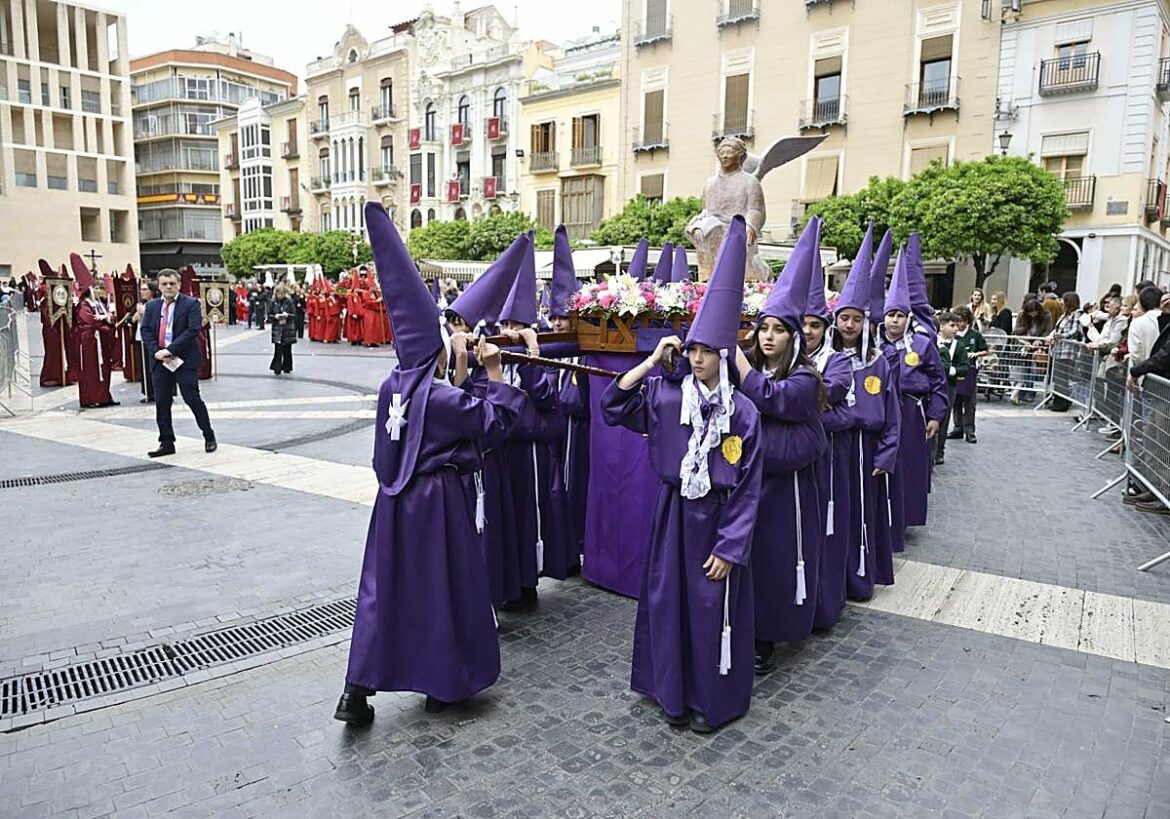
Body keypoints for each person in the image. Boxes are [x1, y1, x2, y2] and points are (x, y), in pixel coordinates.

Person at [335, 203, 528, 725]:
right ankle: (444, 684)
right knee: (442, 590)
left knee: (382, 592)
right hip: (436, 503)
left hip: (391, 504)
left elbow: (441, 412)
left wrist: (464, 372)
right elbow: (491, 423)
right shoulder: (441, 397)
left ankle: (356, 690)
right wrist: (495, 372)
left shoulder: (392, 386)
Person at [601, 216, 763, 733]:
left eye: (705, 352)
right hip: (673, 516)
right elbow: (612, 406)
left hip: (715, 522)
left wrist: (730, 546)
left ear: (723, 356)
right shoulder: (669, 395)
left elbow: (749, 486)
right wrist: (651, 363)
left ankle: (711, 699)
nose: (696, 359)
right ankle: (671, 691)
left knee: (711, 606)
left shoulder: (744, 414)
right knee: (669, 603)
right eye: (691, 349)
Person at [735, 217, 826, 673]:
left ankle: (766, 636)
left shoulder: (804, 378)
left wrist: (737, 362)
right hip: (748, 480)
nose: (767, 337)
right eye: (762, 329)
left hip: (783, 488)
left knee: (775, 557)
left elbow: (774, 400)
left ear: (793, 338)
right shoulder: (749, 369)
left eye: (778, 330)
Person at [832, 225, 901, 602]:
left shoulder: (879, 363)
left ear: (865, 323)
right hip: (838, 448)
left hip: (868, 450)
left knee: (864, 515)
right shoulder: (825, 361)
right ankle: (837, 576)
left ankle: (862, 578)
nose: (849, 325)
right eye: (844, 318)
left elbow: (892, 414)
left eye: (856, 319)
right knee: (837, 514)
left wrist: (887, 454)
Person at [805, 220, 856, 633]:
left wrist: (792, 396)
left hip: (827, 460)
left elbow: (837, 393)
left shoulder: (836, 360)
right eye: (801, 324)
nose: (807, 331)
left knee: (824, 530)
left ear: (827, 328)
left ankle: (824, 604)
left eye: (815, 325)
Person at [881, 248, 948, 538]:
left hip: (911, 412)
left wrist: (935, 414)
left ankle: (904, 517)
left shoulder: (922, 345)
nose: (894, 321)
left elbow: (938, 381)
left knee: (908, 466)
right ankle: (882, 514)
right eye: (890, 315)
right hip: (883, 412)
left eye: (900, 315)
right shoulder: (873, 348)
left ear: (908, 318)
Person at [139, 269, 216, 457]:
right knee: (162, 402)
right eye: (164, 283)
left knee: (192, 398)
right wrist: (157, 352)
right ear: (159, 286)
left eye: (172, 284)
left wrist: (170, 350)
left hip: (183, 360)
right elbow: (146, 330)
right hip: (160, 361)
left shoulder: (190, 304)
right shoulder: (152, 306)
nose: (168, 287)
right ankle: (166, 442)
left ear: (179, 285)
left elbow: (192, 331)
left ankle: (208, 435)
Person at [71, 257, 118, 409]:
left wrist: (108, 319)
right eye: (97, 288)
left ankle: (104, 395)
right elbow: (91, 323)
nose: (100, 291)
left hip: (101, 342)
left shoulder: (99, 304)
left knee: (104, 369)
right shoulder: (84, 305)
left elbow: (110, 319)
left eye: (101, 288)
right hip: (90, 343)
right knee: (92, 371)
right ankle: (92, 397)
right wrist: (107, 323)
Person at [949, 306, 989, 443]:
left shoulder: (974, 335)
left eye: (962, 321)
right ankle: (957, 427)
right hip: (955, 370)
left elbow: (985, 350)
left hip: (970, 371)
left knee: (970, 403)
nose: (959, 325)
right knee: (956, 401)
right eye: (956, 322)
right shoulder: (952, 335)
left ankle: (970, 430)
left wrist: (975, 354)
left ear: (967, 321)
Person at [935, 312, 969, 465]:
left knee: (944, 417)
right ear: (941, 326)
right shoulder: (932, 340)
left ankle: (939, 451)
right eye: (952, 325)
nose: (956, 329)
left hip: (949, 386)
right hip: (933, 385)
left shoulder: (959, 346)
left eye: (957, 326)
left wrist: (950, 370)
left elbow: (964, 368)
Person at [1010, 298, 1053, 404]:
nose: (1033, 314)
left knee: (1033, 369)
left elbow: (1047, 331)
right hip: (1024, 344)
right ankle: (1020, 392)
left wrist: (1039, 341)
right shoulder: (1022, 316)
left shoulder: (1046, 316)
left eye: (1034, 312)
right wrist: (1025, 338)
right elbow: (1016, 331)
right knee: (1022, 369)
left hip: (1038, 346)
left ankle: (1030, 392)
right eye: (1030, 312)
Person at [132, 280, 161, 403]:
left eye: (145, 289)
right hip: (141, 337)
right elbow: (134, 319)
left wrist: (144, 313)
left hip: (154, 338)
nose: (142, 292)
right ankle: (149, 392)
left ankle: (159, 391)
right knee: (145, 366)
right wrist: (138, 313)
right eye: (141, 289)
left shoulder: (157, 303)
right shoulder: (141, 304)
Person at [269, 284, 298, 375]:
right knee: (278, 348)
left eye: (282, 294)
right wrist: (275, 316)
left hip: (287, 328)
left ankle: (287, 366)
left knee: (287, 348)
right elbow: (269, 314)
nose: (280, 296)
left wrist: (287, 315)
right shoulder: (273, 302)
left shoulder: (289, 302)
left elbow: (294, 314)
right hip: (277, 327)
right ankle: (276, 367)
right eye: (278, 294)